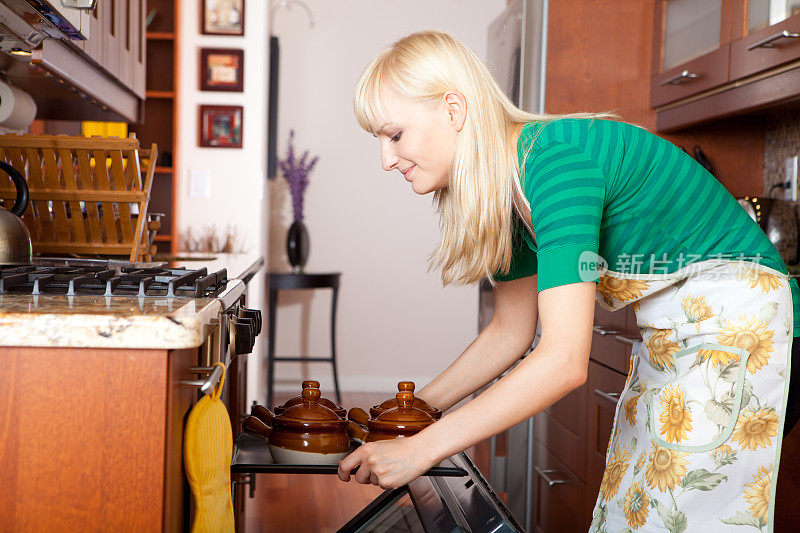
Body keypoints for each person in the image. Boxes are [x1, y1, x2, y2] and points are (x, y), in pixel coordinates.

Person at [337, 30, 798, 532]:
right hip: (677, 339)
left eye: (395, 135)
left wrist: (422, 448)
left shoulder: (555, 164)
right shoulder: (507, 194)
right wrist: (411, 413)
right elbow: (509, 332)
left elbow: (561, 361)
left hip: (746, 332)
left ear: (453, 110)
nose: (385, 160)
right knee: (631, 512)